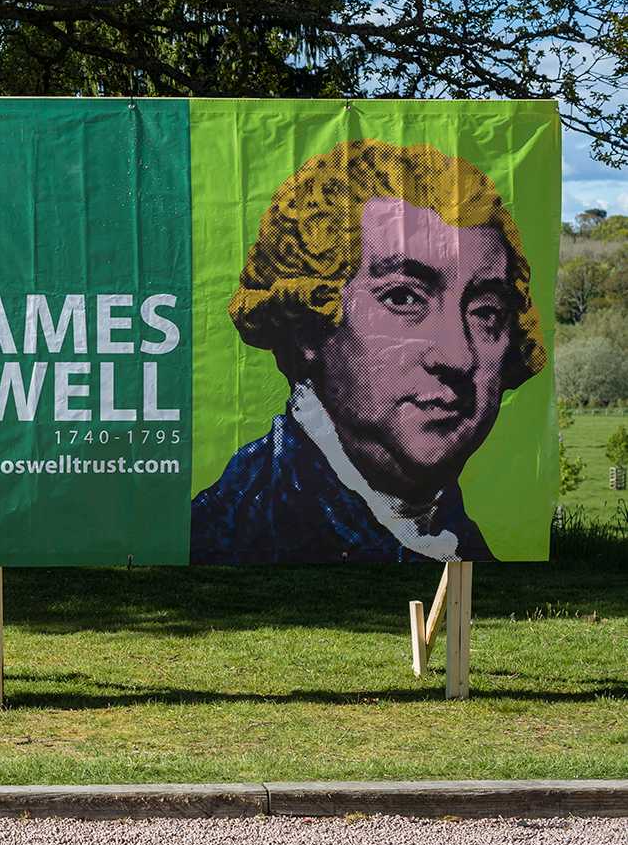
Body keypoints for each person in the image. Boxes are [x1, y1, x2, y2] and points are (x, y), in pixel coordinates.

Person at [190, 139, 549, 564]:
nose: (458, 356)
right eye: (403, 298)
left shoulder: (451, 536)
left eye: (486, 312)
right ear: (308, 327)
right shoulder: (233, 532)